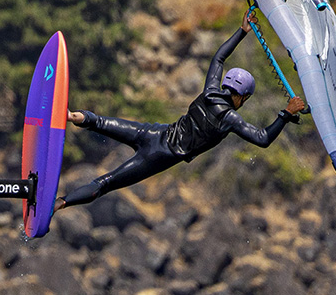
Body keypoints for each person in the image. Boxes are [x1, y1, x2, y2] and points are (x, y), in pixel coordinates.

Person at [54, 14, 306, 212]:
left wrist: (242, 31)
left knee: (98, 121)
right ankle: (61, 203)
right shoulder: (230, 119)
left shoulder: (210, 91)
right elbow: (262, 139)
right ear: (241, 96)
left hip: (152, 132)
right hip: (157, 156)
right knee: (105, 183)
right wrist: (285, 113)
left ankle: (72, 116)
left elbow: (218, 59)